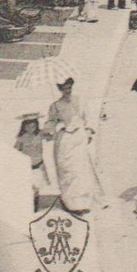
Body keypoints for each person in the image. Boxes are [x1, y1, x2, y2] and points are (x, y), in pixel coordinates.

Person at [44, 76, 102, 213]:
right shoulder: (55, 105)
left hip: (79, 138)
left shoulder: (80, 101)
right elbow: (50, 122)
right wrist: (51, 127)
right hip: (64, 140)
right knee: (67, 170)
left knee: (80, 170)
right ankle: (70, 202)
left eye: (69, 88)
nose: (67, 91)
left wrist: (89, 131)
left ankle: (83, 202)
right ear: (59, 89)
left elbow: (88, 118)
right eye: (64, 89)